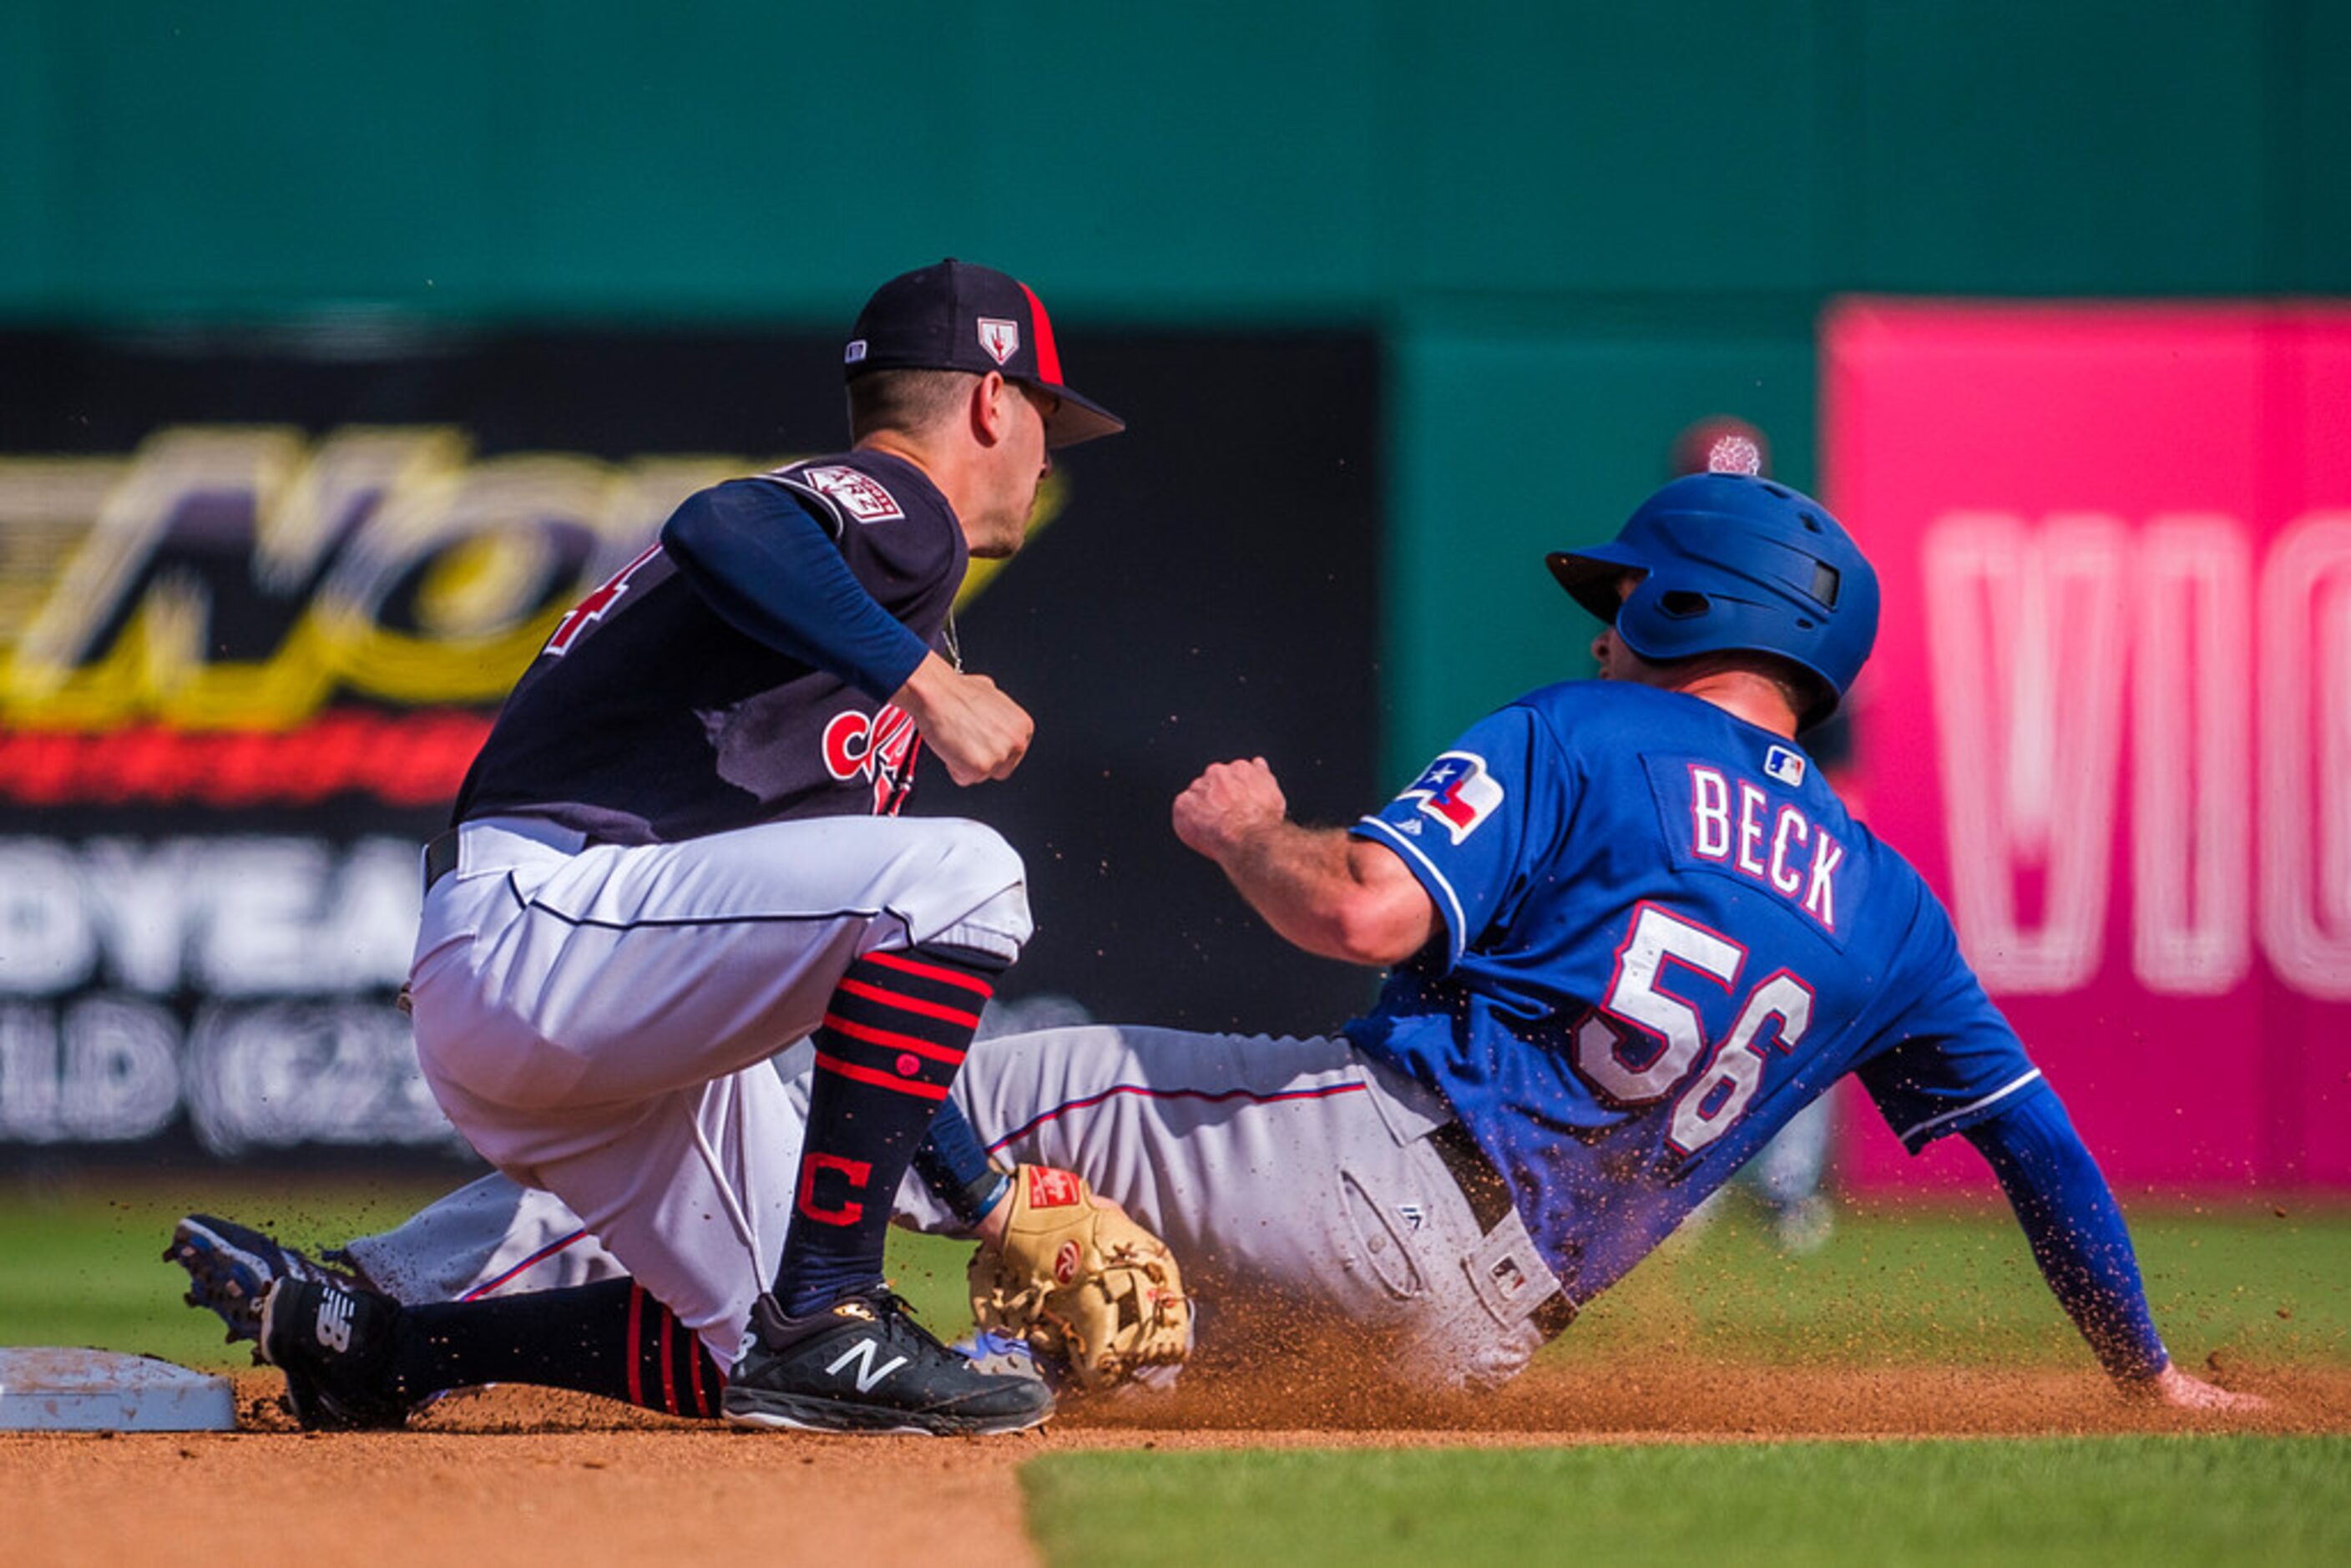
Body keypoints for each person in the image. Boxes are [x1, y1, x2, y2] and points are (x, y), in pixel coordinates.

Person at [180, 456, 2257, 1415]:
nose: (1601, 616)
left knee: (846, 1067)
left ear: (1704, 621)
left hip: (1350, 1171)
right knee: (1012, 1355)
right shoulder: (1887, 903)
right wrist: (2141, 1375)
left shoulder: (1594, 735)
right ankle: (473, 1350)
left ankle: (384, 1300)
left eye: (1629, 594)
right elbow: (2037, 1148)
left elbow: (1363, 906)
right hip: (1474, 1345)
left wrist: (1255, 837)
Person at [240, 258, 1130, 1438]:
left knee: (760, 1352)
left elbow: (844, 971)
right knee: (967, 871)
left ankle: (392, 1350)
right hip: (547, 928)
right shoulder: (900, 511)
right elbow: (725, 518)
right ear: (990, 400)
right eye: (1047, 417)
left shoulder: (854, 606)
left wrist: (987, 1195)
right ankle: (833, 1310)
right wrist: (931, 686)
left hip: (573, 991)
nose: (1047, 452)